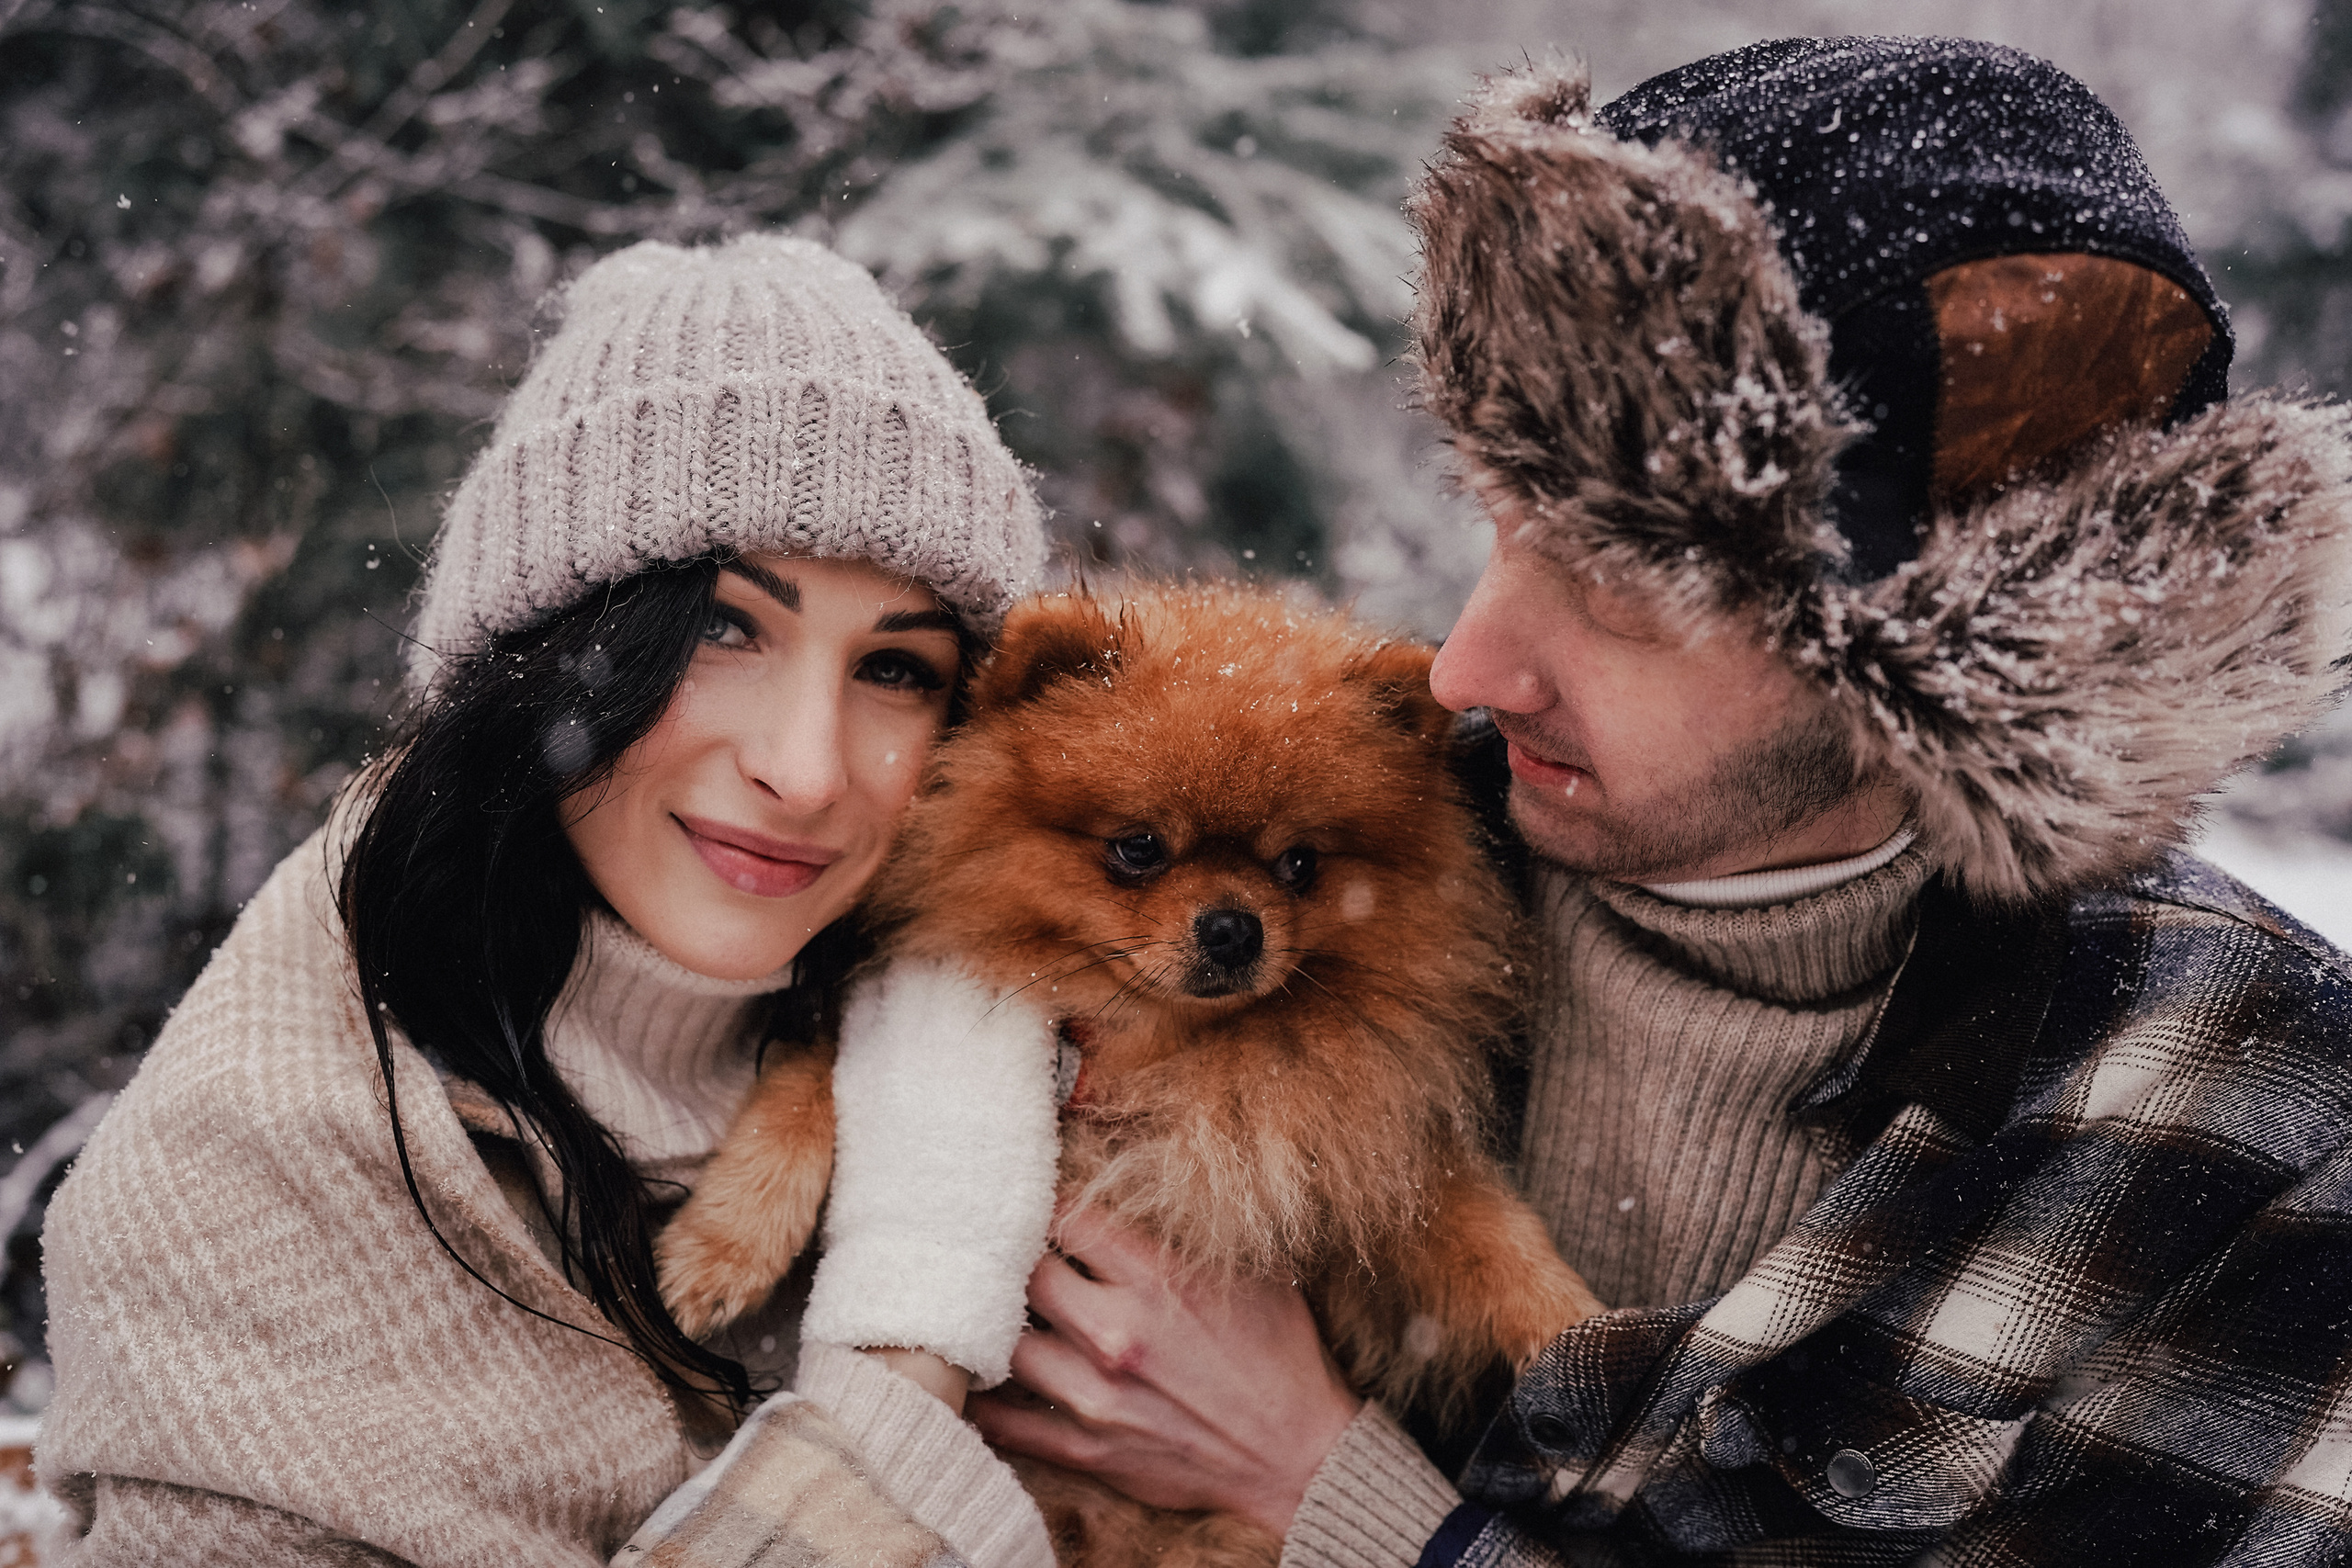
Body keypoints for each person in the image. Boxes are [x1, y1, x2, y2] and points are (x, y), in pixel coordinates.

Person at [968, 38, 2352, 1566]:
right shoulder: (1366, 866)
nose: (1469, 668)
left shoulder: (2245, 1115)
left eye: (1621, 585)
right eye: (1491, 523)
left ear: (1947, 658)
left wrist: (1332, 1498)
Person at [37, 234, 1064, 1566]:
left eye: (899, 671)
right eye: (723, 628)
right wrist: (906, 1377)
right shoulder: (262, 1184)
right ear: (547, 655)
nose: (804, 770)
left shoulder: (989, 1055)